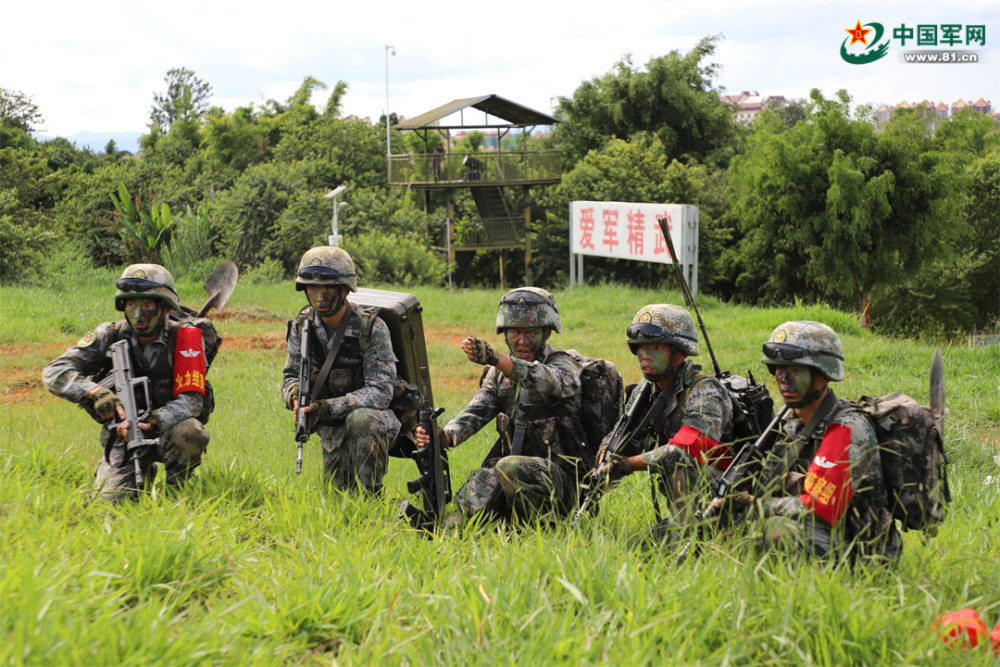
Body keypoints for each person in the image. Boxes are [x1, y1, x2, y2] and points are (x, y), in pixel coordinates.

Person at [725, 320, 900, 563]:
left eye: (795, 370)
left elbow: (818, 508)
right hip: (820, 533)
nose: (783, 379)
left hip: (862, 550)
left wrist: (755, 505)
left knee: (777, 529)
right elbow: (770, 481)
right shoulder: (791, 421)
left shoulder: (846, 429)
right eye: (777, 368)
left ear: (823, 375)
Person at [42, 264, 219, 502]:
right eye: (131, 304)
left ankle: (178, 495)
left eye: (147, 305)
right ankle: (142, 473)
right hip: (122, 434)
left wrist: (153, 419)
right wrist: (94, 392)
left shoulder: (186, 338)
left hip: (167, 429)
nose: (138, 313)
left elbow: (192, 400)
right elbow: (54, 371)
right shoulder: (109, 334)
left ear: (164, 307)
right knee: (111, 505)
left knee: (189, 432)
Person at [416, 287, 588, 525]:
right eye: (515, 332)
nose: (522, 341)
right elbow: (477, 410)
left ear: (547, 333)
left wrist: (498, 359)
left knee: (508, 467)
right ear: (505, 333)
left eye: (532, 333)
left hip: (564, 485)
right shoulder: (499, 376)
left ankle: (539, 529)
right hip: (512, 474)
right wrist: (444, 436)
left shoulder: (564, 364)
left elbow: (550, 380)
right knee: (467, 512)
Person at [596, 304, 734, 539]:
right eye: (640, 347)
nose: (644, 355)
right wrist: (606, 454)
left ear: (680, 352)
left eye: (656, 347)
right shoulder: (646, 390)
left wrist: (626, 465)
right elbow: (626, 431)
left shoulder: (705, 391)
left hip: (729, 495)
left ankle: (703, 535)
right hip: (693, 499)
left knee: (649, 547)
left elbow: (683, 452)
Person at [281, 246, 400, 494]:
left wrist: (329, 407)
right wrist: (294, 397)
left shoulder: (371, 328)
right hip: (331, 424)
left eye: (329, 289)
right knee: (339, 497)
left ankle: (373, 498)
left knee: (361, 419)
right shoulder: (302, 326)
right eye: (312, 288)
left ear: (346, 289)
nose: (320, 297)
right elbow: (291, 375)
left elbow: (380, 392)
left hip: (375, 420)